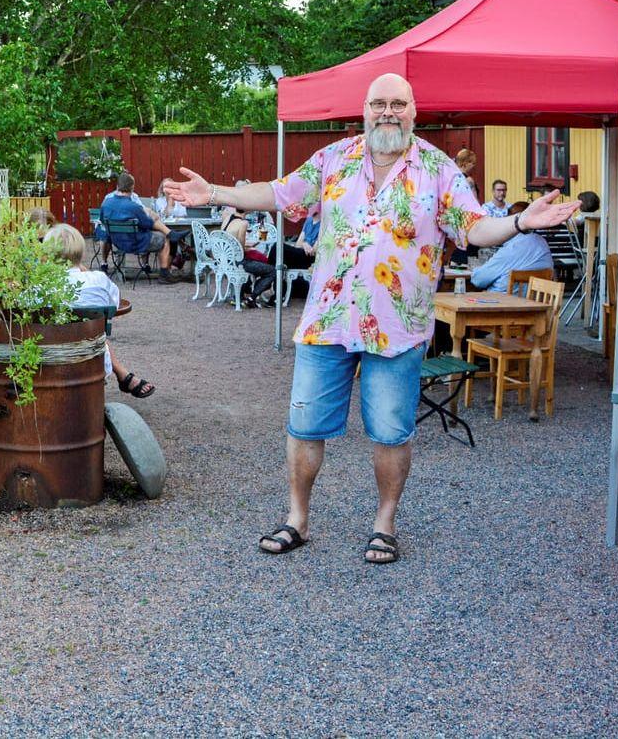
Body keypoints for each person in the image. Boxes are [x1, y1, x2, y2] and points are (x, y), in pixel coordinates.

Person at [163, 73, 579, 564]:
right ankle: (297, 518)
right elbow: (279, 193)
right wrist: (215, 193)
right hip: (328, 321)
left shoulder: (439, 170)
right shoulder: (334, 159)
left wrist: (518, 222)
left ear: (414, 110)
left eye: (398, 103)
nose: (388, 112)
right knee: (304, 425)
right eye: (379, 103)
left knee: (389, 431)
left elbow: (473, 226)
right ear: (363, 109)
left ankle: (384, 523)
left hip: (397, 327)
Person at [45, 223, 157, 398]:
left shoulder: (37, 287)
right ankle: (122, 377)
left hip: (48, 359)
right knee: (93, 331)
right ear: (80, 251)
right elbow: (115, 302)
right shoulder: (98, 280)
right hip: (92, 356)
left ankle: (124, 376)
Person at [100, 172, 184, 282]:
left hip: (116, 242)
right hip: (137, 243)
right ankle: (164, 274)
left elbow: (102, 221)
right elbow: (147, 224)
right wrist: (153, 217)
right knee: (164, 239)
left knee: (160, 232)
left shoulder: (106, 203)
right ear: (132, 187)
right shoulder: (134, 207)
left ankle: (171, 234)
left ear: (118, 186)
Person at [470, 201, 553, 294]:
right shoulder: (542, 242)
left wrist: (475, 269)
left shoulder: (512, 247)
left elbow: (478, 280)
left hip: (501, 304)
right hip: (536, 304)